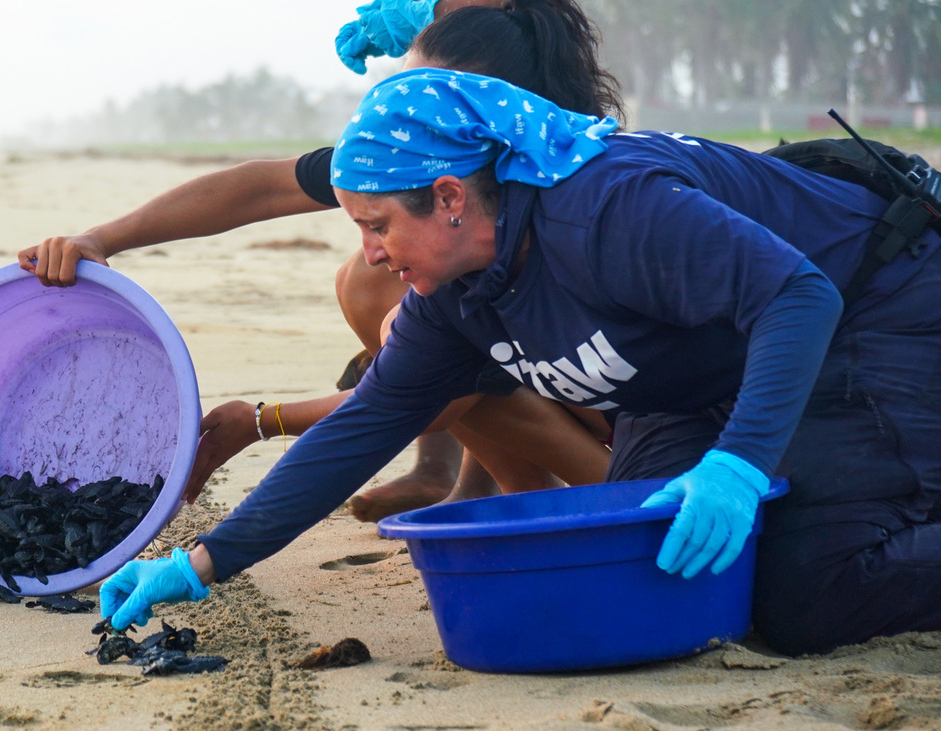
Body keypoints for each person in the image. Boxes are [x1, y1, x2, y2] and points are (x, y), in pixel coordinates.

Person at [98, 59, 941, 656]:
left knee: (804, 593)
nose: (373, 255)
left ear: (451, 198)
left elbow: (798, 298)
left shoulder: (609, 211)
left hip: (869, 303)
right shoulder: (452, 301)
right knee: (664, 566)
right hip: (698, 368)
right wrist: (199, 563)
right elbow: (360, 432)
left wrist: (739, 465)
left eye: (378, 225)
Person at [20, 0, 619, 520]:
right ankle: (503, 491)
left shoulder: (567, 196)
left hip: (647, 448)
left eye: (423, 96)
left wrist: (263, 421)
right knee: (384, 288)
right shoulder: (426, 152)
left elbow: (426, 396)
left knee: (418, 322)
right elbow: (257, 187)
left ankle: (567, 499)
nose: (403, 112)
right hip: (563, 389)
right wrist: (103, 239)